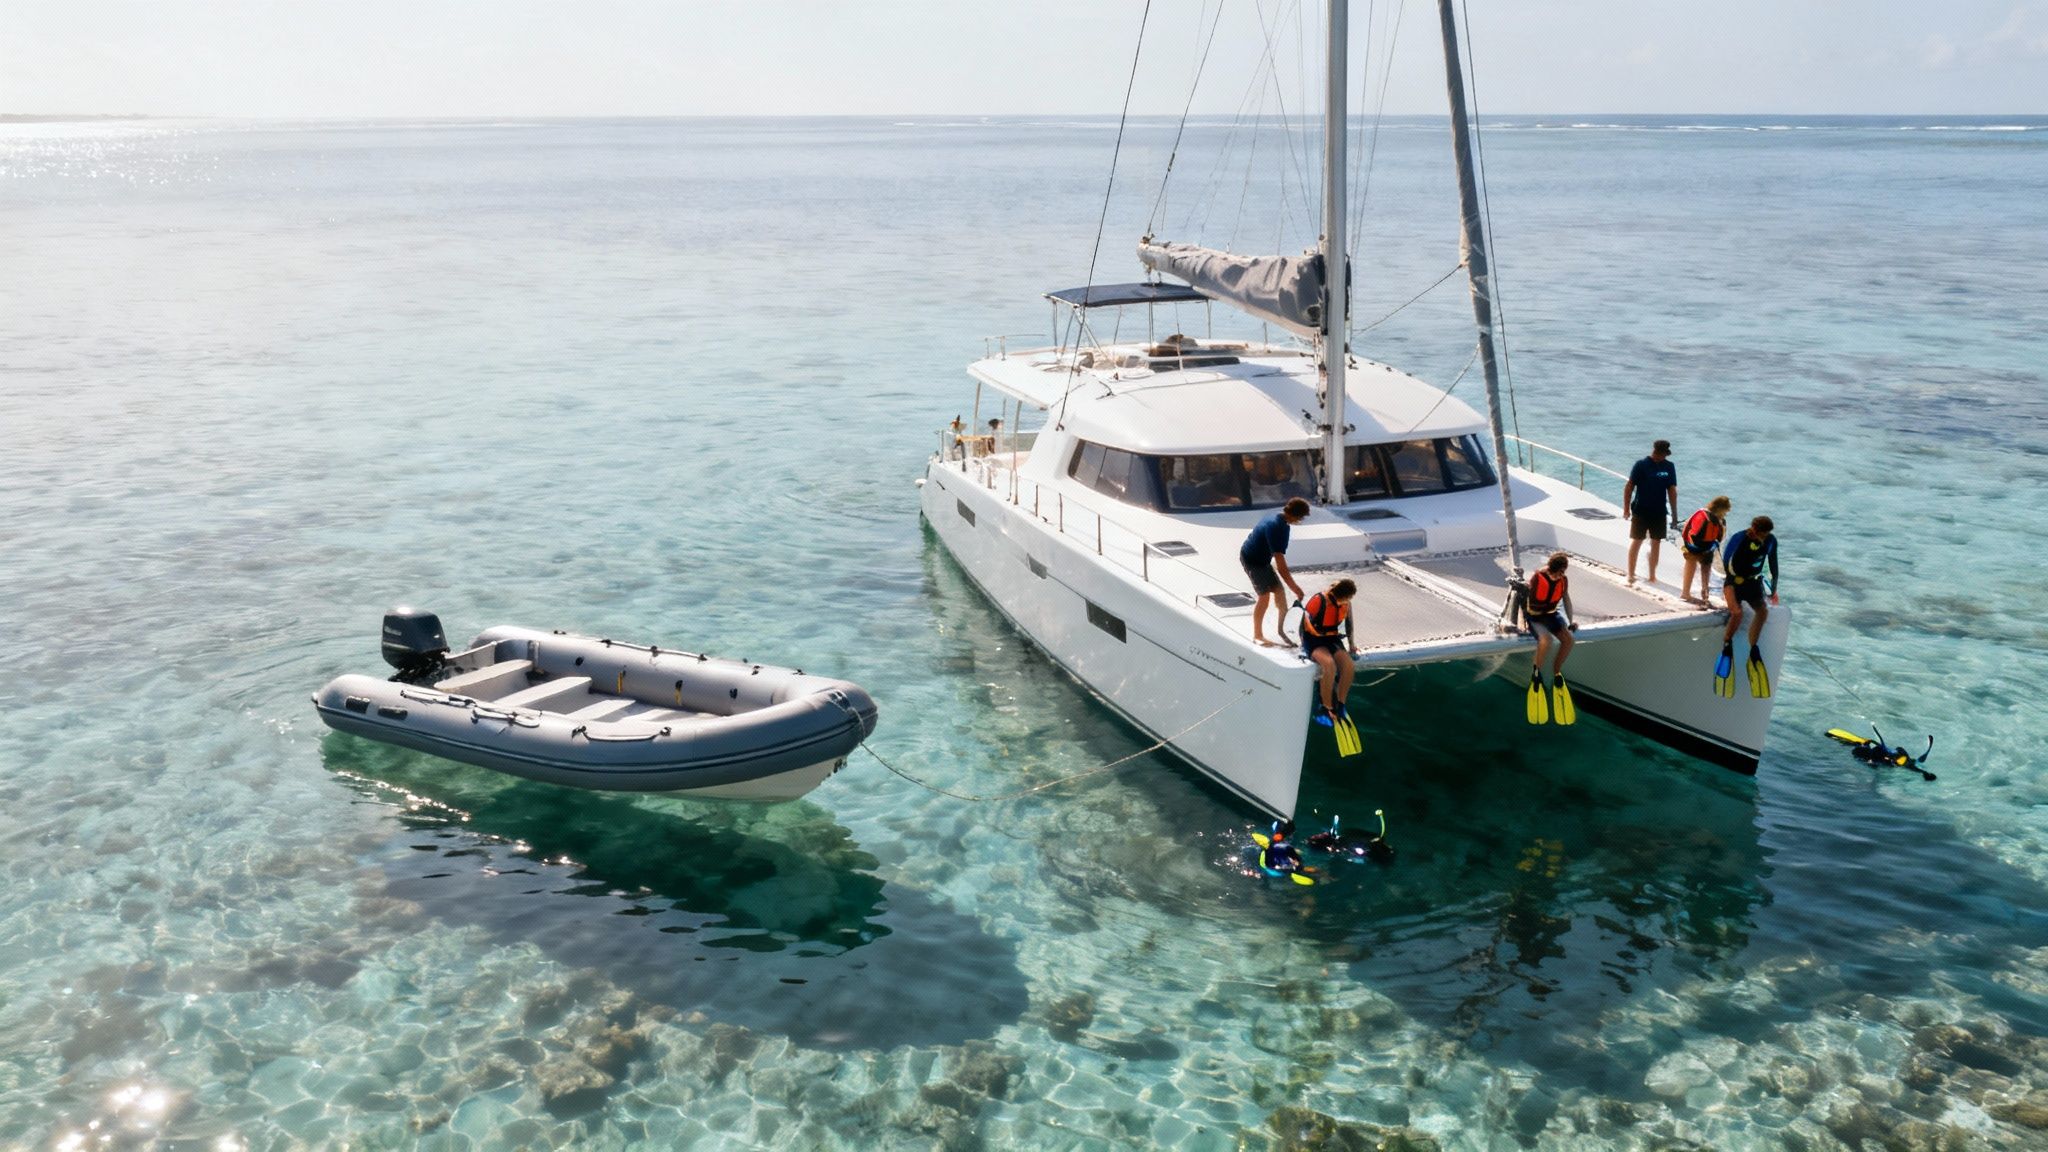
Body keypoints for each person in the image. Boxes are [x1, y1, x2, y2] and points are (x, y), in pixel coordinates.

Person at [1717, 515, 1779, 698]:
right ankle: (1727, 642)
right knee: (1737, 613)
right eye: (1762, 534)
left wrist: (1773, 590)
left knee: (1763, 612)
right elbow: (1727, 562)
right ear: (1754, 529)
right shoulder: (1739, 538)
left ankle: (1753, 646)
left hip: (1752, 585)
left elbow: (1774, 565)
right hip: (1734, 583)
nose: (1764, 538)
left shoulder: (1770, 541)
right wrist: (1734, 581)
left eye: (1766, 534)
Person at [1240, 497, 1309, 646]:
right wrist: (1295, 588)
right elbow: (1281, 567)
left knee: (1280, 593)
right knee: (1264, 596)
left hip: (1263, 560)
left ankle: (1281, 631)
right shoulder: (1276, 527)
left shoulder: (1282, 520)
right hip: (1251, 560)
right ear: (1295, 516)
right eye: (1301, 518)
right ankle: (1257, 635)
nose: (1301, 521)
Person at [1523, 552, 1578, 725]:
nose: (1559, 576)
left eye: (1561, 573)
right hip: (1534, 618)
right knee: (1545, 640)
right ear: (1552, 569)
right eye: (1557, 573)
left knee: (1568, 640)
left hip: (1551, 616)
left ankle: (1556, 672)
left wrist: (1570, 621)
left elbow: (1566, 599)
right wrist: (1522, 622)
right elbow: (1523, 600)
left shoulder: (1563, 580)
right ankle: (1536, 674)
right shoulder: (1538, 578)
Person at [1299, 577, 1358, 723]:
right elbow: (1302, 625)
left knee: (1349, 666)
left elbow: (1349, 625)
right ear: (1342, 595)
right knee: (1329, 664)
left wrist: (1351, 644)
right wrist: (1302, 647)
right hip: (1313, 640)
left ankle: (1341, 704)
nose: (1349, 600)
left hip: (1332, 639)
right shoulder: (1318, 601)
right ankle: (1325, 707)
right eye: (1349, 597)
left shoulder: (1345, 603)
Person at [1622, 439, 1680, 587]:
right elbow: (1629, 487)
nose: (1664, 457)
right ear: (1657, 452)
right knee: (1637, 540)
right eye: (1664, 454)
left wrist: (1674, 515)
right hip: (1641, 510)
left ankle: (1652, 575)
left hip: (1659, 511)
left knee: (1656, 542)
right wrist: (1626, 509)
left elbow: (1672, 491)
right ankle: (1631, 573)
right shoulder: (1641, 465)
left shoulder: (1669, 466)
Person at [1679, 495, 1731, 606]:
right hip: (1705, 549)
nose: (1726, 514)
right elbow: (1720, 538)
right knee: (1705, 571)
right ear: (1721, 509)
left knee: (1693, 565)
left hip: (1693, 547)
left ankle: (1687, 593)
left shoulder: (1701, 513)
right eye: (1726, 511)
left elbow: (1691, 531)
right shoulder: (1719, 520)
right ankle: (1704, 597)